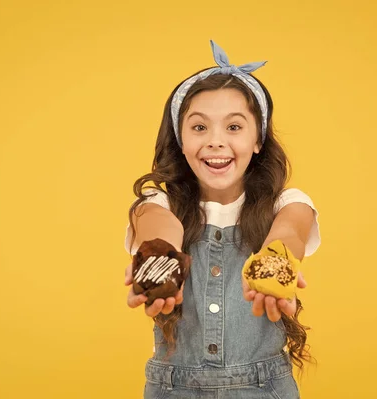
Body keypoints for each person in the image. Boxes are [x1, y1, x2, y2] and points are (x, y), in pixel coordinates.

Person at [124, 40, 320, 399]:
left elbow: (290, 230)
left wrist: (275, 264)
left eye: (234, 127)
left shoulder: (287, 203)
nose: (216, 141)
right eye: (199, 128)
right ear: (180, 140)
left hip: (264, 389)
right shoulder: (158, 203)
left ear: (258, 138)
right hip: (173, 390)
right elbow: (158, 224)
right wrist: (161, 256)